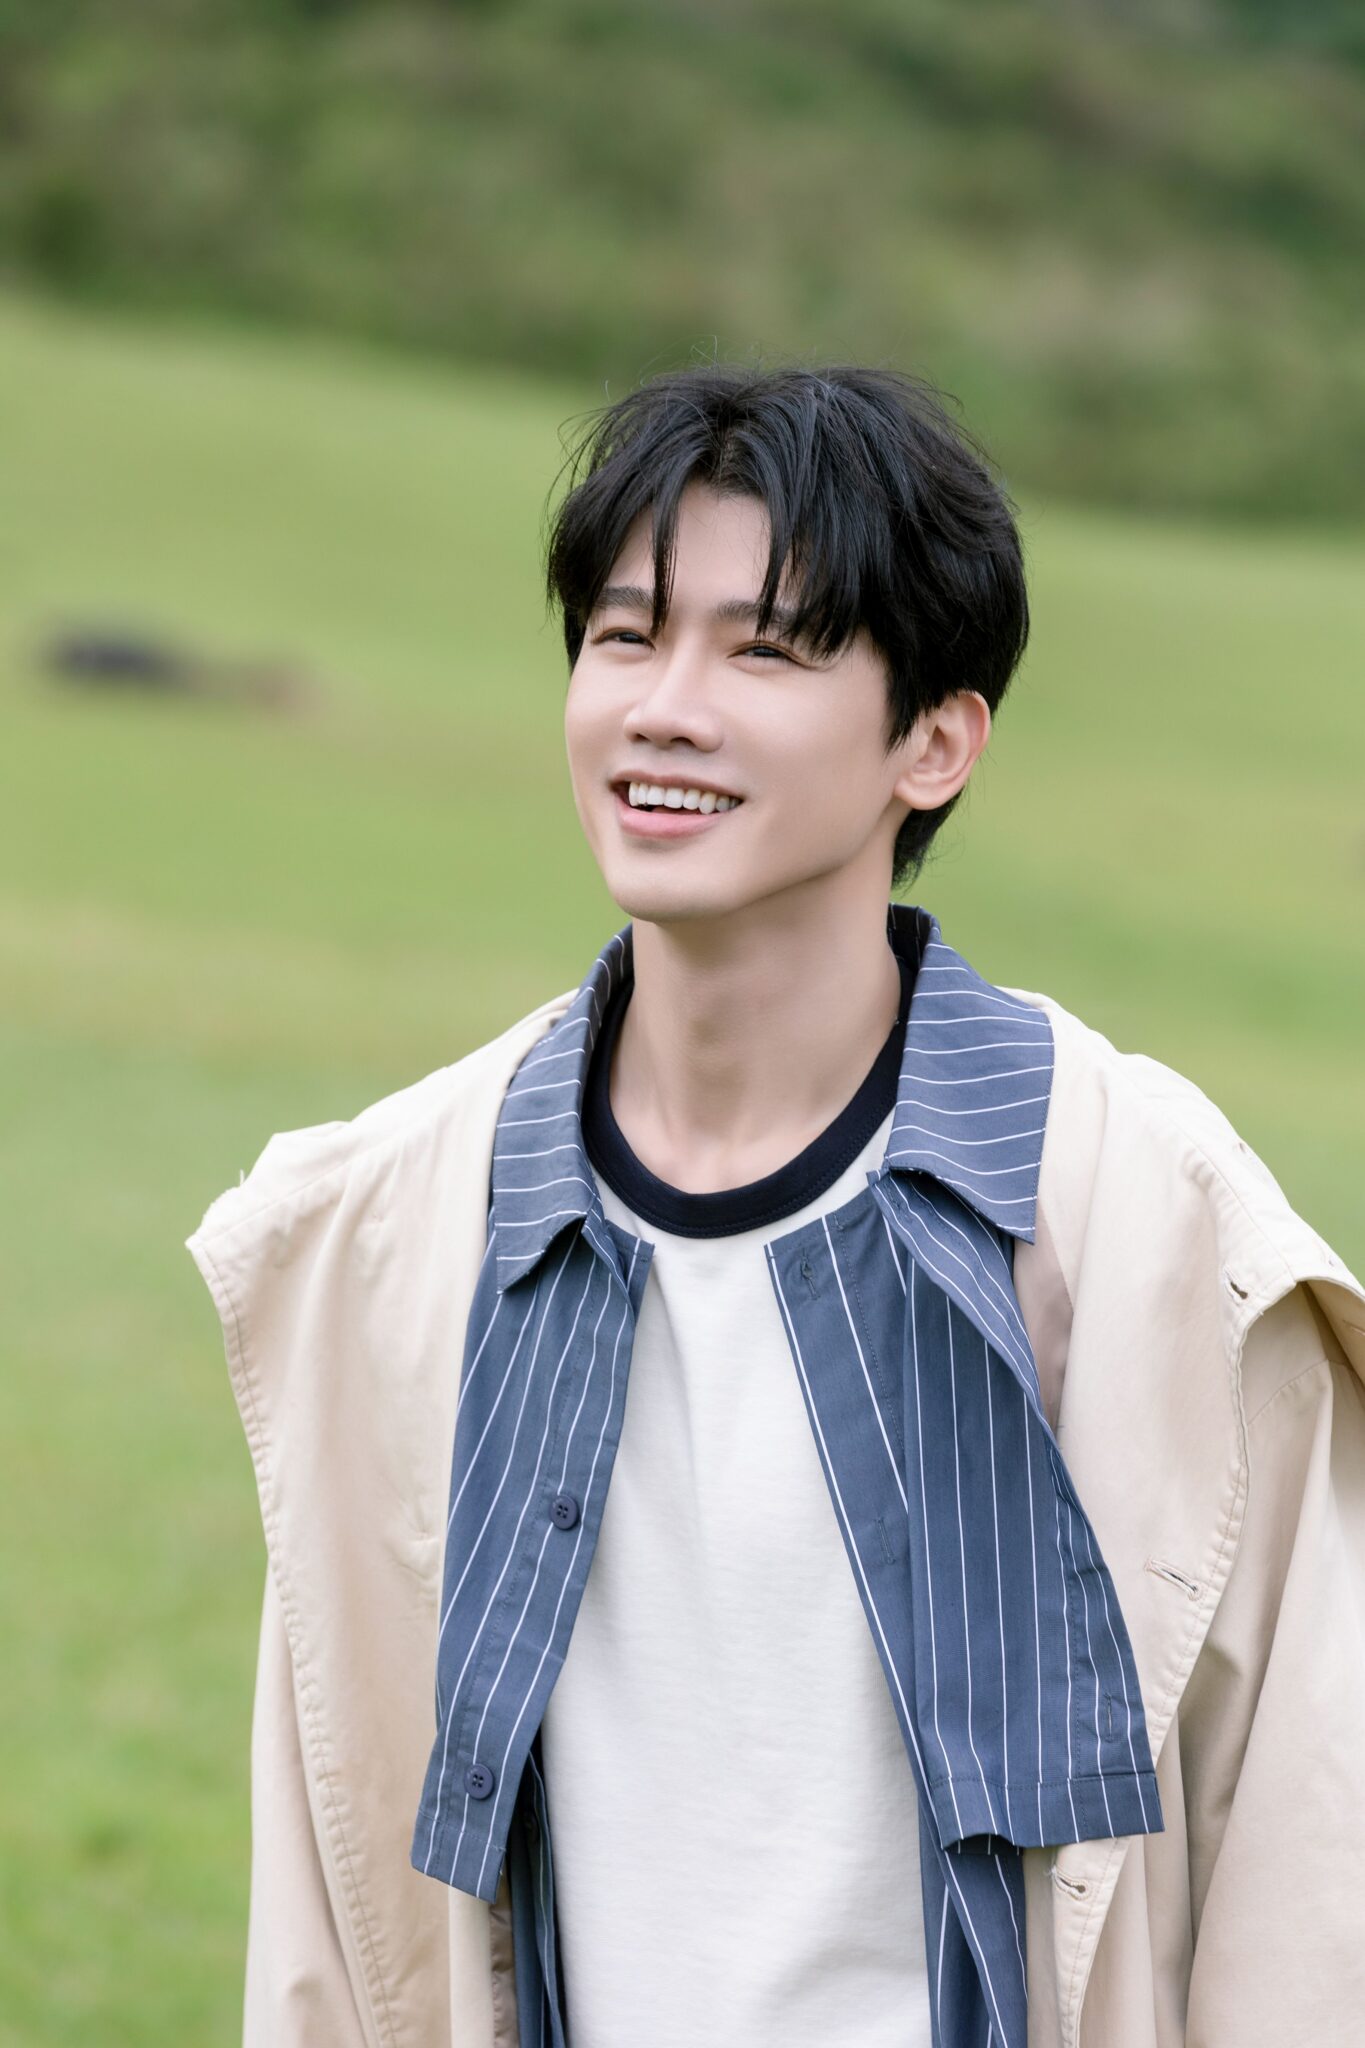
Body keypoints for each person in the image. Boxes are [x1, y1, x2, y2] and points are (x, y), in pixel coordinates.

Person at [186, 364, 1365, 2048]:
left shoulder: (1158, 1231)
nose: (664, 708)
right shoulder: (390, 1228)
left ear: (934, 742)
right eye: (623, 636)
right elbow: (333, 1889)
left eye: (765, 650)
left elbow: (1309, 1871)